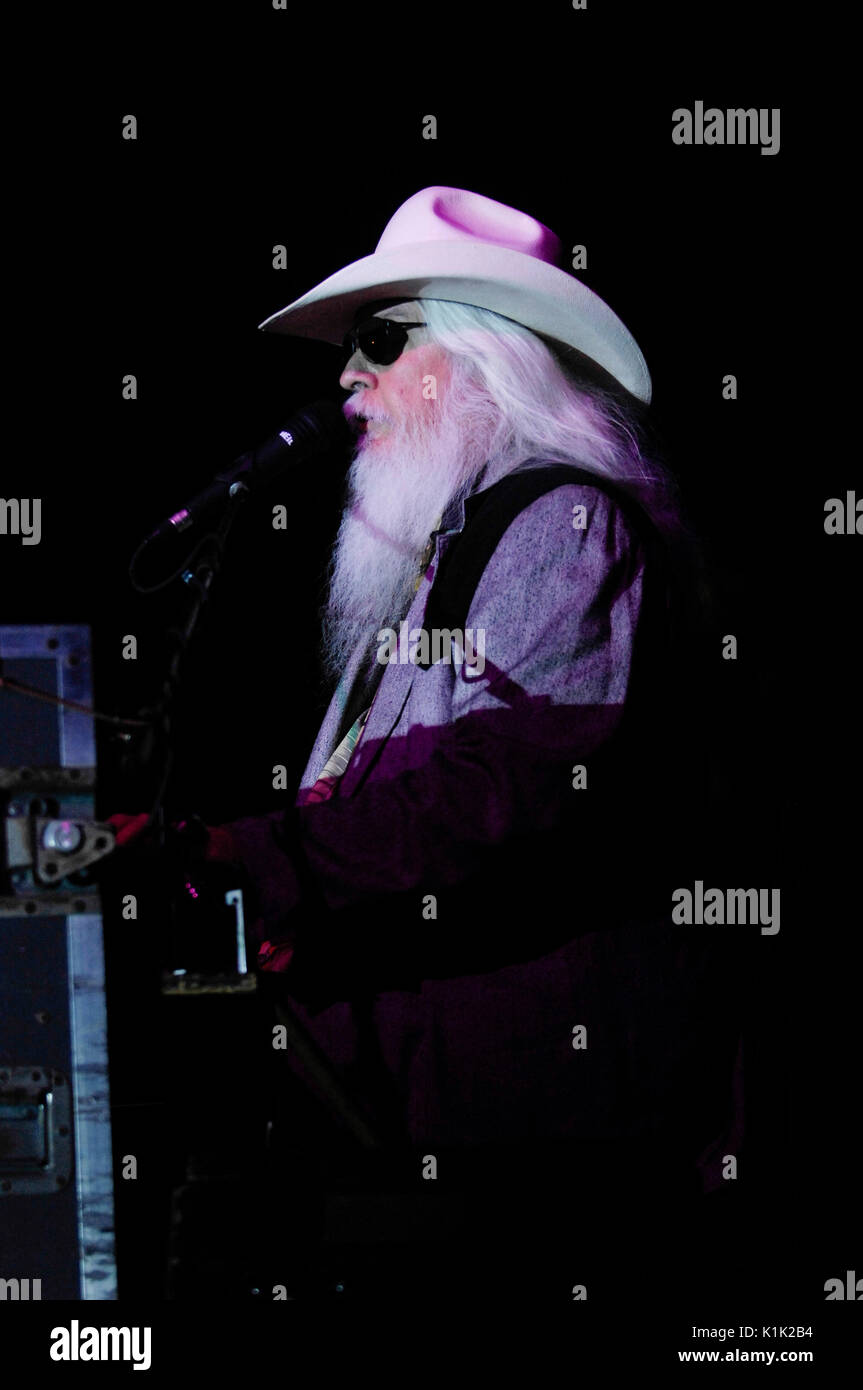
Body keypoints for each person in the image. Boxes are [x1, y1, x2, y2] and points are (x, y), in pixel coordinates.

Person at [112, 187, 744, 1294]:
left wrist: (254, 856)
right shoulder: (449, 546)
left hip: (535, 1148)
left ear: (483, 360)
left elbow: (503, 783)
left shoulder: (562, 521)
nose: (347, 379)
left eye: (379, 342)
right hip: (418, 1117)